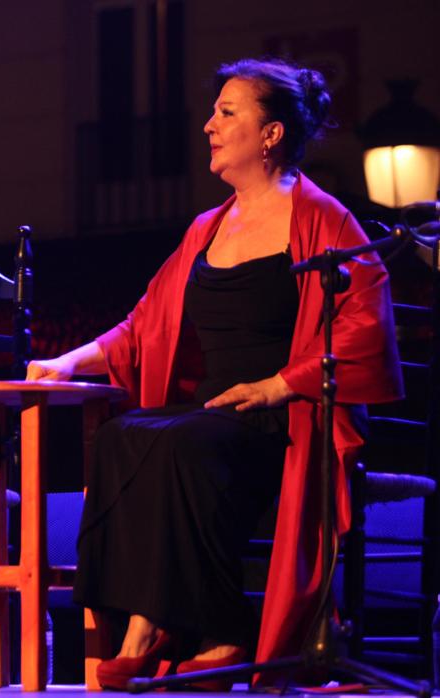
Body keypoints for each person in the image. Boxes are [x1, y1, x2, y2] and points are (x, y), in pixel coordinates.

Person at [27, 58, 402, 691]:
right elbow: (142, 325)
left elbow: (366, 325)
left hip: (284, 417)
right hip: (214, 415)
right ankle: (148, 626)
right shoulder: (208, 227)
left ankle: (221, 632)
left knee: (180, 440)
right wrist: (67, 361)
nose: (209, 125)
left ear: (271, 134)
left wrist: (278, 385)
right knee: (126, 435)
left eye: (228, 112)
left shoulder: (324, 221)